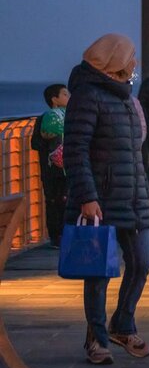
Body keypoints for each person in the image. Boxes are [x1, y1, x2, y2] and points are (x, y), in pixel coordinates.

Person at [63, 33, 149, 365]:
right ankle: (96, 338)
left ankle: (122, 323)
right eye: (131, 58)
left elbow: (136, 151)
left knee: (142, 263)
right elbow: (75, 151)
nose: (134, 65)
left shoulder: (128, 99)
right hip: (100, 200)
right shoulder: (87, 96)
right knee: (99, 271)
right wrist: (87, 195)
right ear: (114, 60)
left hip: (134, 197)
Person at [31, 83, 70, 248]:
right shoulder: (45, 118)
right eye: (65, 94)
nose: (69, 97)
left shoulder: (70, 116)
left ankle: (67, 234)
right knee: (54, 201)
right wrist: (47, 139)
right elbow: (35, 143)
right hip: (52, 170)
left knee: (67, 200)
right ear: (54, 99)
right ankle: (56, 236)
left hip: (68, 168)